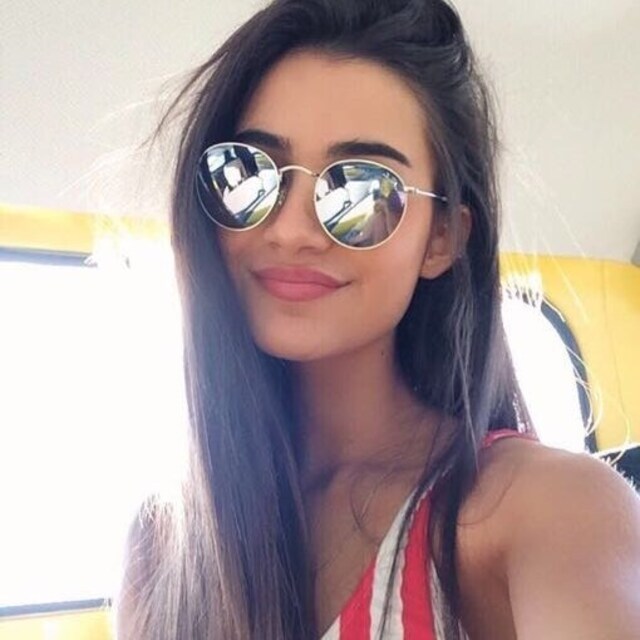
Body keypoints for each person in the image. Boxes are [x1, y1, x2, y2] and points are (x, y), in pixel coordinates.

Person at [114, 1, 640, 638]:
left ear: (442, 237)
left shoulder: (543, 511)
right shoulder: (162, 545)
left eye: (361, 189)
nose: (291, 229)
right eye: (249, 173)